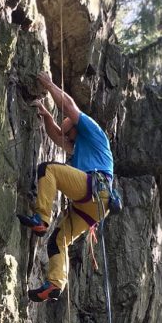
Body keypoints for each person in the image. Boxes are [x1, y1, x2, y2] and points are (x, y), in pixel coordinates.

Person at [17, 72, 114, 302]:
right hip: (95, 207)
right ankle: (55, 284)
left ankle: (42, 218)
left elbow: (69, 106)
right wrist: (47, 116)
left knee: (48, 170)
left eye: (69, 131)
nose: (67, 137)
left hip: (94, 188)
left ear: (76, 128)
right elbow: (58, 139)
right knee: (58, 240)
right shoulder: (81, 145)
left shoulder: (92, 130)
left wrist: (50, 85)